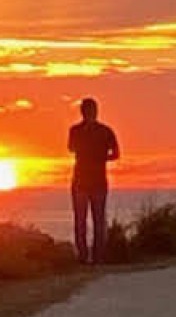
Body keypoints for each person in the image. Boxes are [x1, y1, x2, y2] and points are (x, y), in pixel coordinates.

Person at [68, 97, 120, 264]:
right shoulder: (77, 130)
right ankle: (85, 256)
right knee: (84, 220)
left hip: (94, 181)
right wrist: (101, 156)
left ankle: (96, 257)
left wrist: (100, 157)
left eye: (90, 110)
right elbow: (71, 147)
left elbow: (116, 153)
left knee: (95, 220)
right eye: (87, 111)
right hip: (83, 181)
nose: (89, 114)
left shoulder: (104, 131)